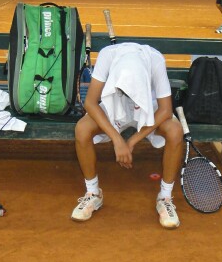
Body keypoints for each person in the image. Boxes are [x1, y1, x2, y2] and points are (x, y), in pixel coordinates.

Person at [71, 43, 184, 229]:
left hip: (149, 108)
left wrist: (131, 141)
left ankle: (165, 197)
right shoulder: (108, 55)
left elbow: (165, 110)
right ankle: (93, 193)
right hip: (114, 107)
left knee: (175, 131)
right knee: (82, 129)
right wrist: (117, 139)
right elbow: (90, 103)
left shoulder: (155, 59)